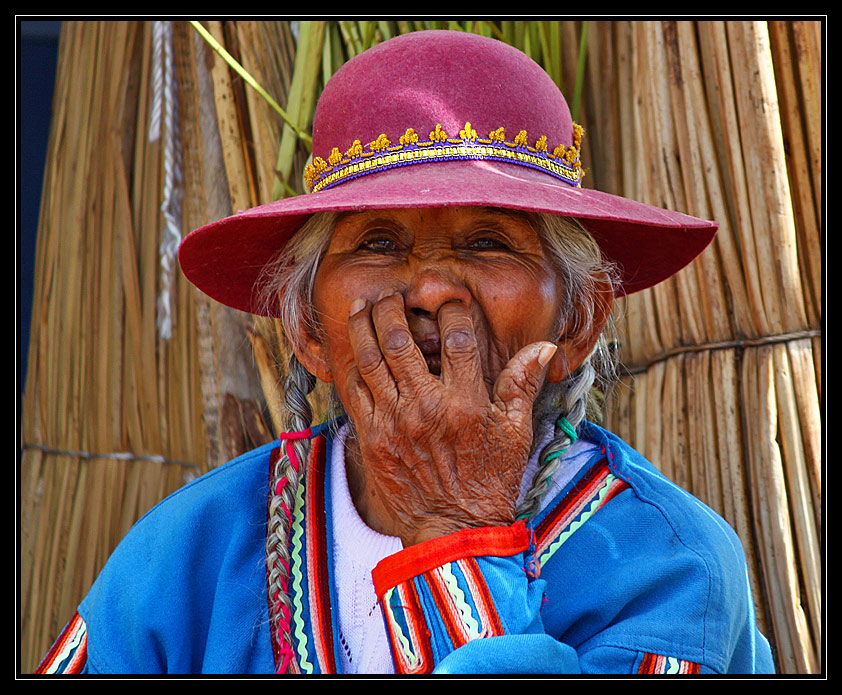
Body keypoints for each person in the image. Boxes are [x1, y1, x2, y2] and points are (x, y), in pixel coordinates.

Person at [36, 29, 775, 675]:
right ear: (308, 332)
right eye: (378, 243)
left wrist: (454, 531)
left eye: (488, 241)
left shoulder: (667, 563)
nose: (426, 287)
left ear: (579, 321)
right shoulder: (191, 552)